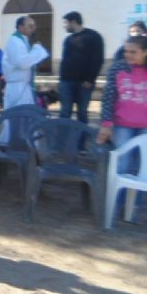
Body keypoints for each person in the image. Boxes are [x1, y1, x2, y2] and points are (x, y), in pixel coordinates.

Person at [97, 35, 147, 217]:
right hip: (122, 125)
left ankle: (134, 208)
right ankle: (117, 205)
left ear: (145, 52)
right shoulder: (118, 68)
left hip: (145, 127)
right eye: (126, 51)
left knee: (142, 168)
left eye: (133, 52)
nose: (128, 55)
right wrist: (106, 124)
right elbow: (108, 97)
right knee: (123, 165)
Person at [58, 11, 104, 128]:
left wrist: (90, 79)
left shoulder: (93, 37)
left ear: (73, 22)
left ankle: (82, 142)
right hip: (67, 82)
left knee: (82, 113)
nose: (65, 26)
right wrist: (61, 79)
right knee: (65, 112)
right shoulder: (68, 40)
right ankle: (60, 141)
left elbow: (97, 59)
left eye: (66, 23)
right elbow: (65, 60)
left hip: (84, 83)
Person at [2, 16, 49, 109]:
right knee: (18, 117)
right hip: (16, 87)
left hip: (24, 86)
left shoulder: (24, 40)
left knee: (25, 117)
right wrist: (37, 49)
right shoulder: (15, 41)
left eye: (34, 26)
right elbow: (22, 63)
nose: (33, 29)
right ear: (20, 27)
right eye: (30, 26)